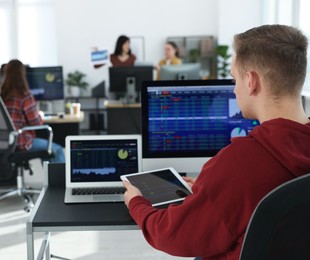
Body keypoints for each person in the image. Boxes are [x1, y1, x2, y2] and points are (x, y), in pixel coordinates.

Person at [122, 24, 310, 260]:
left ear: (251, 81)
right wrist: (208, 189)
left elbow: (171, 235)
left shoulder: (240, 162)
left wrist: (137, 203)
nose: (234, 90)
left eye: (234, 80)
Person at [0, 59, 65, 162]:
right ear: (22, 75)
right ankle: (56, 178)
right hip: (21, 142)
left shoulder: (0, 96)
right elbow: (37, 123)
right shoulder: (24, 96)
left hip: (2, 142)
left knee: (46, 151)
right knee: (58, 150)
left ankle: (49, 176)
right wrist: (38, 114)